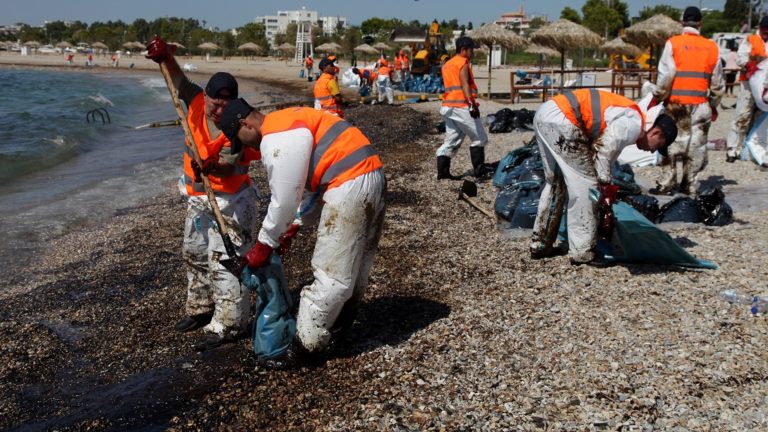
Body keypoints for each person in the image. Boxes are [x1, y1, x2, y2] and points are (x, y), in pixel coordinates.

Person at [218, 99, 386, 369]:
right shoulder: (289, 120)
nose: (251, 149)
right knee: (356, 268)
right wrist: (293, 226)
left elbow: (284, 199)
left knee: (331, 274)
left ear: (245, 124)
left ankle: (303, 347)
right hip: (370, 174)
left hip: (349, 181)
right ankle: (340, 328)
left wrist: (264, 244)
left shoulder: (276, 137)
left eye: (244, 141)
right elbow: (308, 190)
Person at [145, 36, 261, 351]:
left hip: (232, 201)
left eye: (225, 105)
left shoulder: (239, 121)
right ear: (206, 95)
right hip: (199, 199)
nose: (218, 110)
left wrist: (211, 167)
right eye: (214, 102)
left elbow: (230, 165)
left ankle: (230, 323)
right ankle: (200, 307)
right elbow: (177, 79)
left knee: (224, 260)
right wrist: (165, 56)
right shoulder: (196, 101)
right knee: (194, 253)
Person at [530, 89, 678, 266]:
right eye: (658, 146)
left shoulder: (630, 117)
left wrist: (604, 182)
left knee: (555, 182)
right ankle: (582, 253)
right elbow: (604, 151)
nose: (653, 151)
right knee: (586, 187)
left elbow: (603, 152)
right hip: (565, 120)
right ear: (656, 133)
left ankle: (540, 245)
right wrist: (604, 184)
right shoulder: (633, 123)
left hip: (547, 113)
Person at [648, 6, 723, 196]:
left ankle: (667, 183)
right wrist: (713, 106)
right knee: (696, 146)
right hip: (700, 105)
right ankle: (689, 184)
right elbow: (717, 84)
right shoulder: (712, 47)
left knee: (670, 143)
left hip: (676, 105)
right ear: (700, 24)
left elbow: (666, 75)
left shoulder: (673, 43)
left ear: (682, 23)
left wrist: (658, 97)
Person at [436, 36, 491, 180]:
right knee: (480, 138)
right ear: (463, 49)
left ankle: (443, 174)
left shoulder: (448, 64)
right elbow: (465, 84)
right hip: (461, 106)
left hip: (448, 106)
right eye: (471, 49)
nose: (472, 52)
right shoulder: (463, 63)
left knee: (452, 140)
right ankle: (480, 172)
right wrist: (472, 104)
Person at [726, 17, 768, 163]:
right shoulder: (751, 40)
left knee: (761, 118)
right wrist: (750, 65)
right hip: (749, 85)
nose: (766, 31)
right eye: (765, 28)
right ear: (760, 27)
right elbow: (740, 59)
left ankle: (752, 148)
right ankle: (733, 149)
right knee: (742, 115)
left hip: (764, 87)